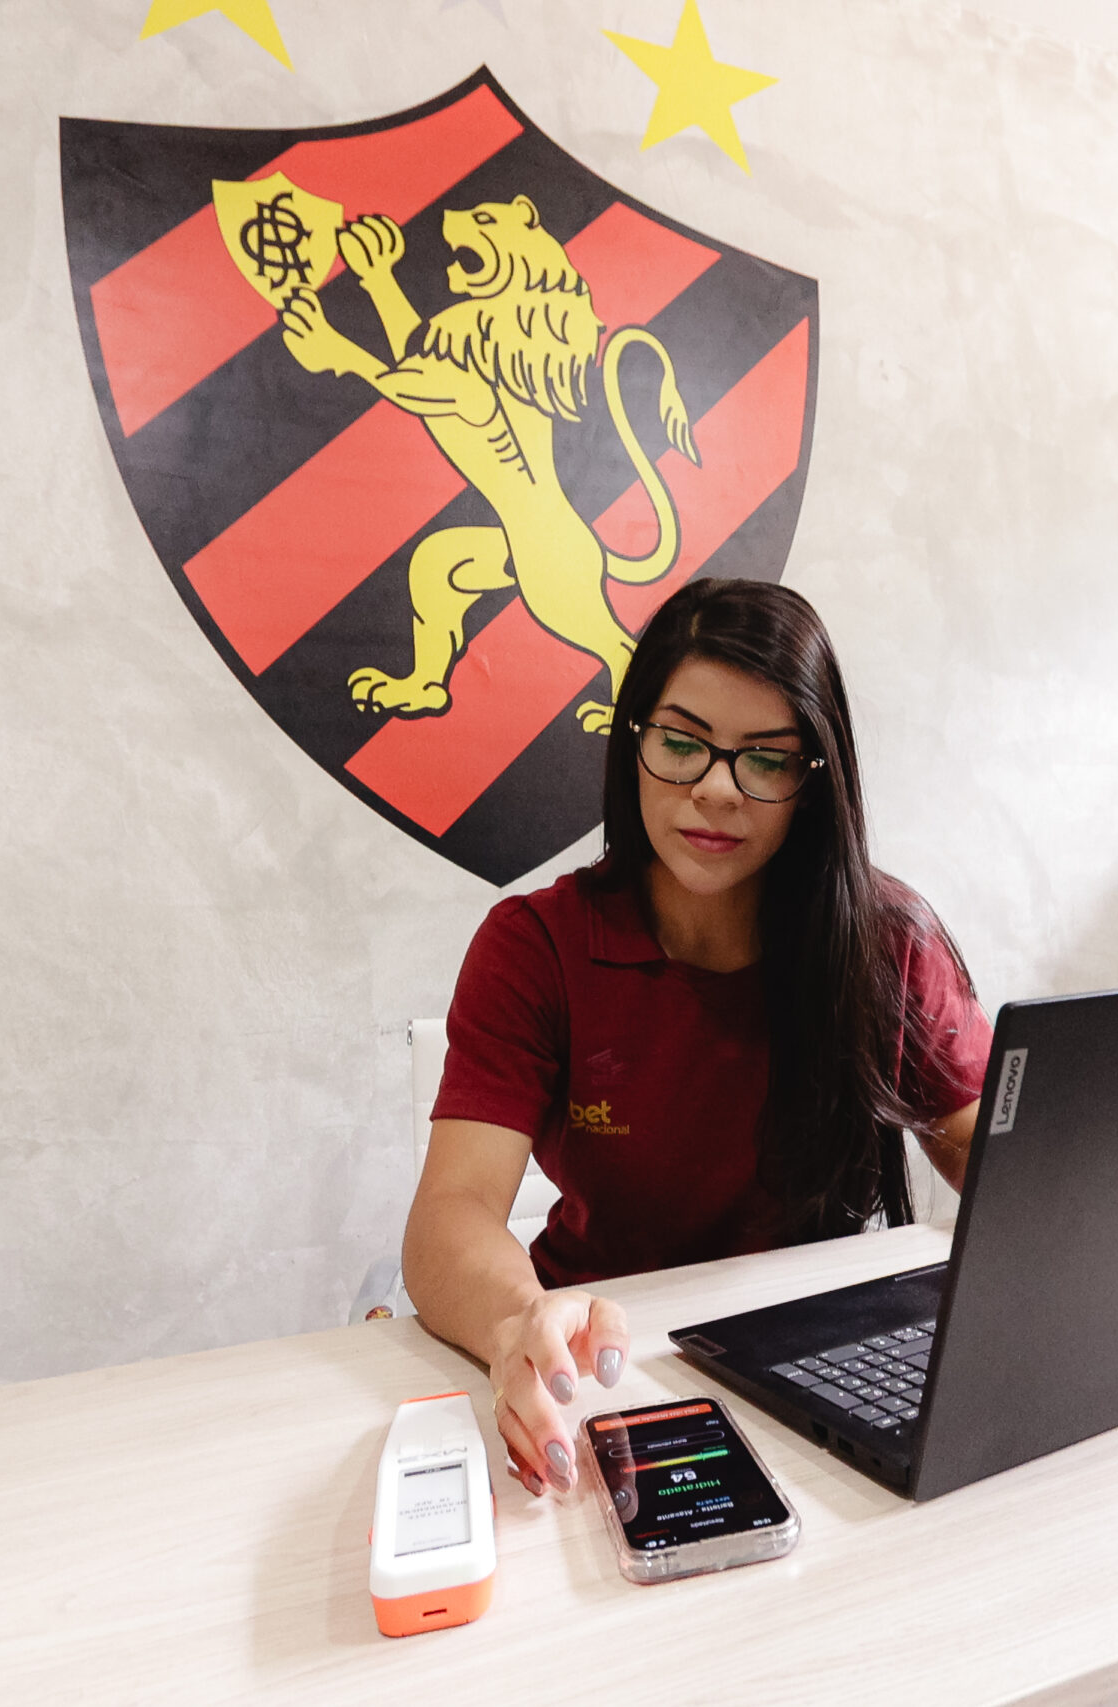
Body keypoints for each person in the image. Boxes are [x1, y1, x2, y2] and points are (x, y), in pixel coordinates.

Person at [402, 578, 991, 1498]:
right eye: (681, 744)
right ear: (632, 744)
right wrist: (519, 1322)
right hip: (603, 1366)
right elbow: (452, 1214)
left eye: (765, 759)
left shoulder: (884, 941)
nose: (716, 789)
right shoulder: (536, 947)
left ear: (813, 778)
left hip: (816, 1362)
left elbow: (996, 1155)